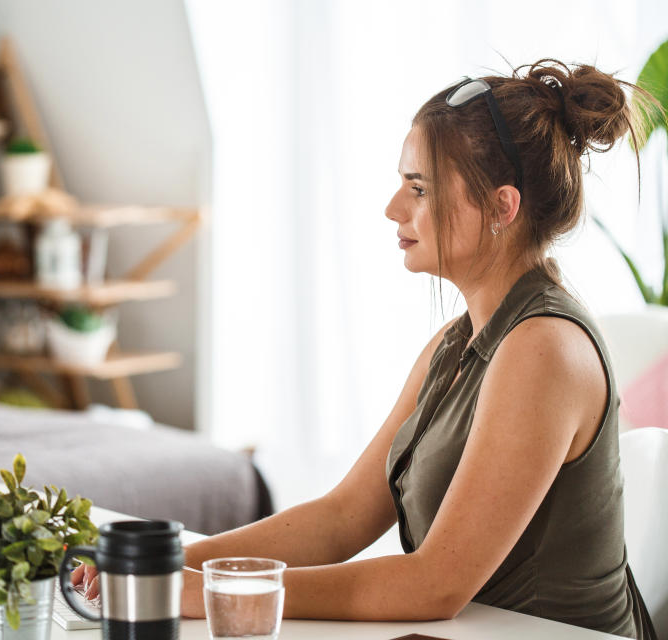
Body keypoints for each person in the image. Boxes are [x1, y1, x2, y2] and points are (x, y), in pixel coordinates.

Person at [73, 58, 660, 640]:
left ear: (502, 208)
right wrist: (175, 562)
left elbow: (434, 585)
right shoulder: (456, 344)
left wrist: (214, 592)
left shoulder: (546, 350)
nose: (393, 208)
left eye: (420, 188)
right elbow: (342, 518)